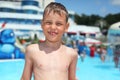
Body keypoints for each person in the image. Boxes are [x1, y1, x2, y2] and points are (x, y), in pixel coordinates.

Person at [21, 2, 78, 80]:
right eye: (48, 23)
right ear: (42, 24)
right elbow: (25, 78)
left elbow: (72, 78)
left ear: (66, 27)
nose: (53, 27)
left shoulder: (71, 54)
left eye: (58, 24)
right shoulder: (32, 50)